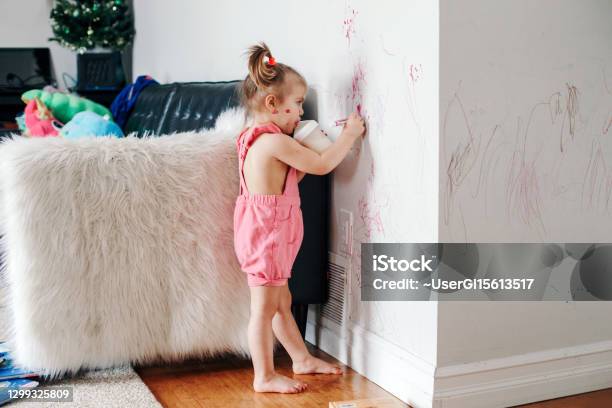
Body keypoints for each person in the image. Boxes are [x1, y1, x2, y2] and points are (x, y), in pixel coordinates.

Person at [233, 42, 366, 394]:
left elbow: (291, 178)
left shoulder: (256, 138)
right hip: (267, 236)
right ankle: (263, 375)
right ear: (272, 104)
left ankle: (301, 358)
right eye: (296, 105)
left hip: (266, 232)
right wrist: (350, 136)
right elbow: (322, 165)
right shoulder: (274, 143)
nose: (301, 112)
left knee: (281, 303)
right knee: (264, 308)